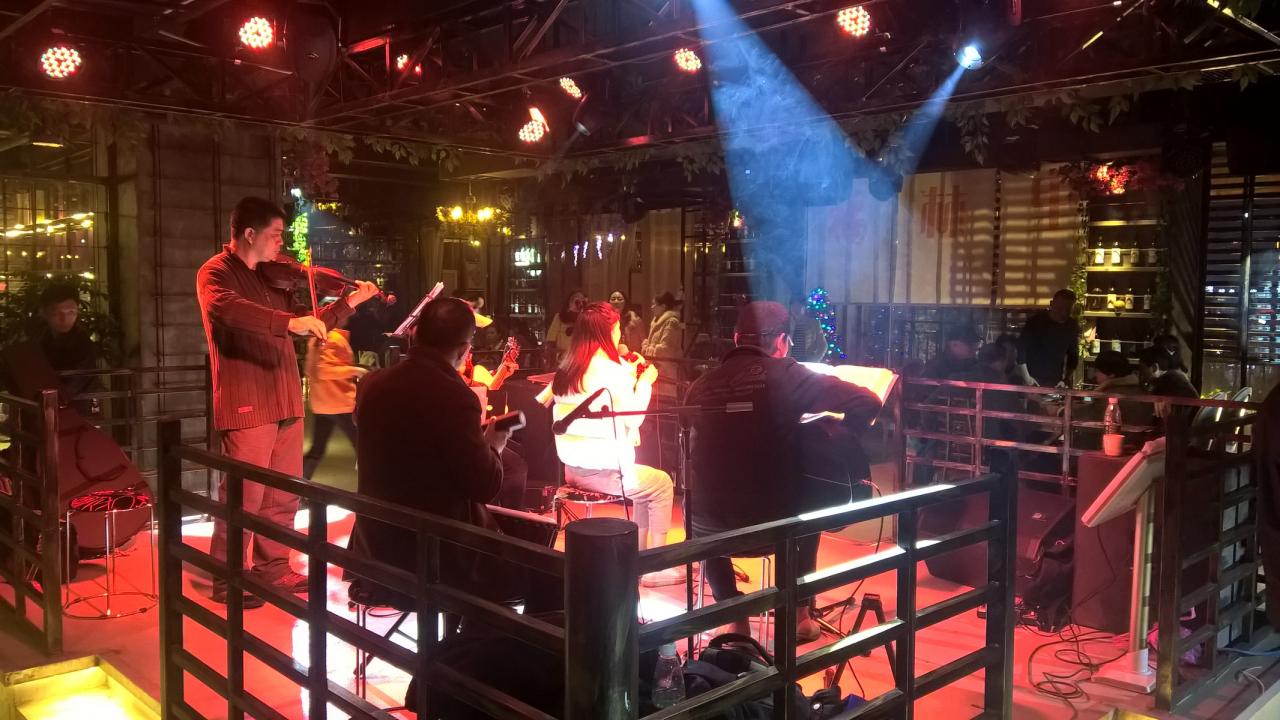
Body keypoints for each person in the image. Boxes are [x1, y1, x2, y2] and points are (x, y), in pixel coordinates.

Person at [197, 196, 380, 607]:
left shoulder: (272, 279)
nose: (283, 243)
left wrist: (348, 303)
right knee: (244, 495)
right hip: (248, 399)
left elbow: (310, 323)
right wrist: (289, 321)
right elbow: (228, 311)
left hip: (284, 397)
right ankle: (228, 578)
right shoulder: (216, 272)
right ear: (250, 234)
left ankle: (273, 566)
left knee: (282, 496)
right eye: (277, 234)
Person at [685, 301, 883, 642]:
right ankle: (798, 614)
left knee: (706, 498)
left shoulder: (700, 384)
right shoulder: (788, 374)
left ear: (736, 339)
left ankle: (732, 615)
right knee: (808, 505)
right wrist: (835, 437)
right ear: (781, 341)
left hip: (706, 531)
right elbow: (868, 401)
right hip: (773, 528)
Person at [348, 297, 556, 611]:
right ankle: (482, 641)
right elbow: (486, 486)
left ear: (415, 335)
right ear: (463, 350)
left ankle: (472, 637)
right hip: (437, 561)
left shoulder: (371, 383)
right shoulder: (456, 395)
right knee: (553, 573)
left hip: (374, 552)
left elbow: (411, 442)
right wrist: (494, 442)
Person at [551, 301, 682, 586]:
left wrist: (627, 372)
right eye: (618, 328)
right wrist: (645, 382)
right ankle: (656, 567)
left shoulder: (566, 369)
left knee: (647, 487)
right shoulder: (611, 371)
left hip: (573, 471)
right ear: (610, 331)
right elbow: (633, 419)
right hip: (607, 474)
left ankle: (640, 559)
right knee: (662, 484)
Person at [302, 312, 366, 480]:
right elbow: (323, 370)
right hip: (340, 402)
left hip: (321, 403)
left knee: (316, 450)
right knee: (364, 448)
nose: (349, 315)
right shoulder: (333, 338)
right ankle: (372, 488)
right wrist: (356, 370)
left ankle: (297, 487)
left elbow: (309, 370)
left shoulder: (316, 338)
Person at [36, 282, 102, 416]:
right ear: (44, 313)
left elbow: (68, 388)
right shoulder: (41, 340)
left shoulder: (82, 344)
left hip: (71, 414)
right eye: (56, 313)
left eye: (70, 312)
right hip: (44, 411)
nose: (64, 319)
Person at [1077, 350, 1154, 449]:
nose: (1095, 374)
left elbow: (1090, 417)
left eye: (1097, 370)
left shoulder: (1111, 395)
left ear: (1111, 374)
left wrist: (1062, 410)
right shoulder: (1138, 389)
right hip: (1137, 444)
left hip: (1119, 447)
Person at [1016, 289, 1081, 388]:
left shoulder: (1071, 326)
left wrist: (1066, 379)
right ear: (1051, 304)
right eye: (1060, 308)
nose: (1063, 313)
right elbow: (1021, 349)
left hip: (1055, 382)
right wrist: (1026, 377)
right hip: (1032, 378)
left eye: (1068, 310)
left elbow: (1073, 356)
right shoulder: (1035, 322)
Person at [641, 291, 684, 390]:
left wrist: (647, 349)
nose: (652, 307)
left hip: (665, 373)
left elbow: (665, 350)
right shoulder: (657, 321)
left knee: (663, 398)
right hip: (655, 371)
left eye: (654, 304)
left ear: (663, 307)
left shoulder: (671, 322)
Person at [545, 290, 585, 367]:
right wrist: (549, 364)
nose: (576, 303)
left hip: (580, 363)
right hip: (562, 362)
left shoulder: (586, 319)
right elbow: (550, 342)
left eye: (580, 300)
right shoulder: (559, 318)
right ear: (568, 302)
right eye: (573, 299)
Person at [787, 295, 827, 363]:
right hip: (789, 362)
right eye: (793, 305)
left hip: (807, 362)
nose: (795, 308)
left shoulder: (814, 323)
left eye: (798, 305)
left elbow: (823, 344)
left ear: (804, 307)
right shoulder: (786, 323)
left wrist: (814, 361)